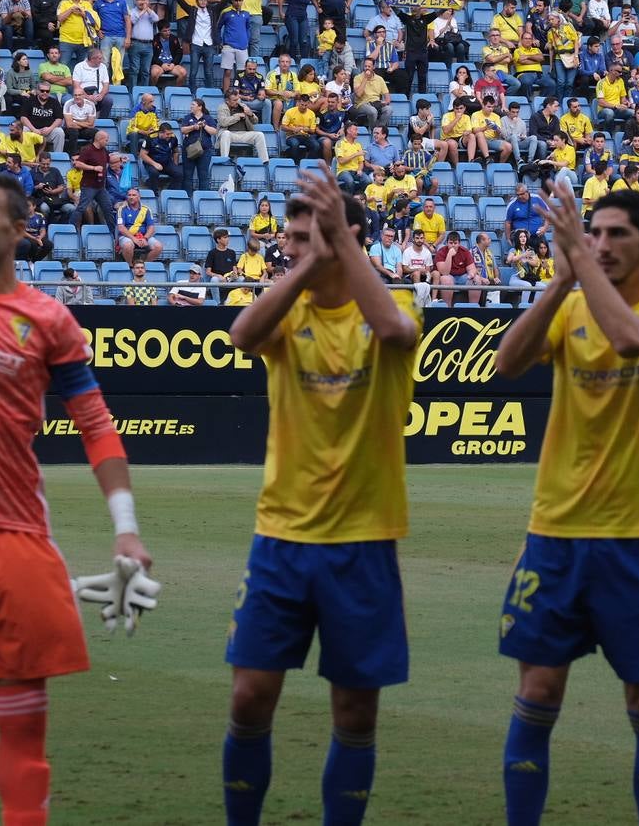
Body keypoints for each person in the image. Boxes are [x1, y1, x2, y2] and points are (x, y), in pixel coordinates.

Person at [0, 170, 153, 825]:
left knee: (24, 730)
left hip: (14, 540)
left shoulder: (49, 320)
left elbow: (96, 423)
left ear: (20, 229)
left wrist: (126, 527)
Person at [494, 186, 639, 826]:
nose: (604, 245)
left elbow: (632, 336)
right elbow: (506, 363)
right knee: (537, 689)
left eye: (618, 235)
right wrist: (558, 285)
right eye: (597, 234)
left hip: (636, 537)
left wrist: (579, 266)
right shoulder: (571, 304)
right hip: (554, 533)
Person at [223, 162, 421, 826]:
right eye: (289, 235)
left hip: (363, 541)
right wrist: (309, 264)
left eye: (306, 234)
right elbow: (241, 336)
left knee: (355, 710)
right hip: (282, 536)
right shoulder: (287, 311)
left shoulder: (393, 309)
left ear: (351, 235)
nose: (290, 245)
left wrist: (341, 247)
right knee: (249, 696)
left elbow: (397, 332)